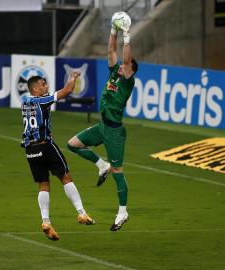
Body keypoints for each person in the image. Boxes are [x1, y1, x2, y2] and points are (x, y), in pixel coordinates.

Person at [67, 15, 138, 231]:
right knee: (73, 144)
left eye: (125, 67)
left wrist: (127, 35)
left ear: (131, 71)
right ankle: (101, 165)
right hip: (103, 126)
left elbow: (125, 61)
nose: (120, 67)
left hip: (115, 132)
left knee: (119, 173)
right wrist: (113, 31)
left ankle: (123, 212)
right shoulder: (114, 73)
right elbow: (110, 52)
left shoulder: (128, 80)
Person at [21, 73, 95, 241]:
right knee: (66, 177)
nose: (46, 86)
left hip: (30, 150)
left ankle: (46, 222)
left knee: (43, 185)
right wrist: (72, 77)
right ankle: (81, 213)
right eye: (42, 84)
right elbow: (67, 91)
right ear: (35, 89)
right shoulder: (41, 101)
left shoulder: (25, 102)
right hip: (46, 146)